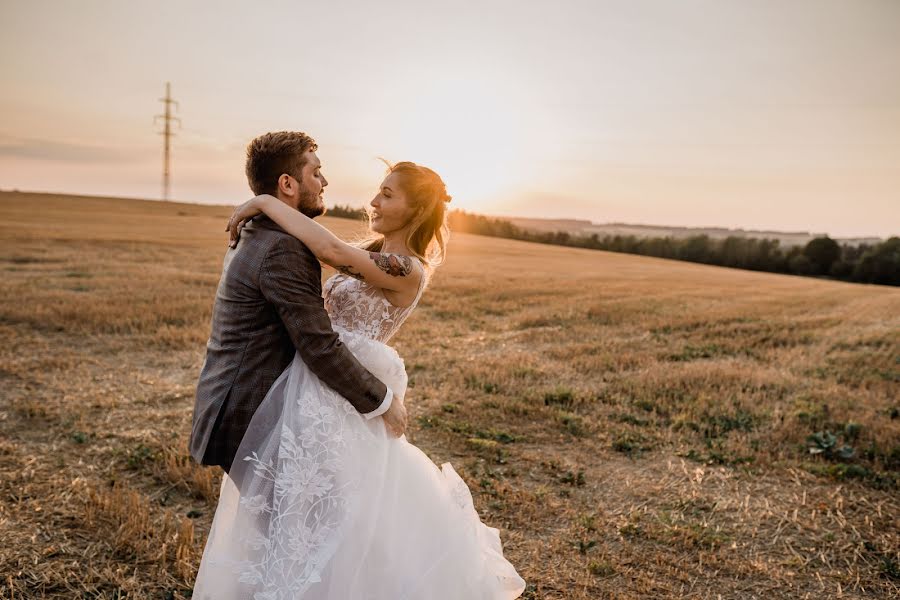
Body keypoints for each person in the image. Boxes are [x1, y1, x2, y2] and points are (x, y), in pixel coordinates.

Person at [191, 131, 526, 599]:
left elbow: (331, 252)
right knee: (312, 520)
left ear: (416, 209)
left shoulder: (408, 270)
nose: (373, 200)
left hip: (340, 391)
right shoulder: (375, 256)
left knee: (338, 521)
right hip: (315, 387)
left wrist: (265, 204)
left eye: (387, 194)